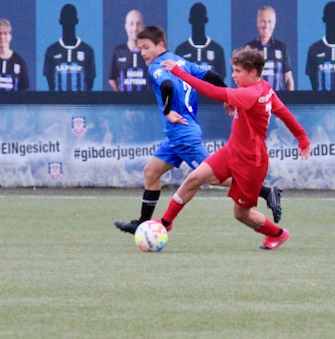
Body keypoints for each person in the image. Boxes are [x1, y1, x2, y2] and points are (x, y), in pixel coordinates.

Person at [113, 26, 283, 234]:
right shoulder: (179, 61)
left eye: (146, 47)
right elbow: (211, 75)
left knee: (211, 177)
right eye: (140, 48)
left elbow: (166, 85)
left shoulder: (157, 66)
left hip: (182, 133)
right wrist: (226, 98)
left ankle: (265, 192)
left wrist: (167, 111)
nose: (143, 53)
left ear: (160, 46)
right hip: (177, 135)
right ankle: (142, 223)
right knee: (151, 171)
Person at [157, 47, 311, 250]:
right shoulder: (264, 88)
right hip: (231, 152)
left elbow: (212, 91)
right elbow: (284, 113)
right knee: (194, 178)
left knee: (241, 214)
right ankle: (165, 223)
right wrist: (302, 139)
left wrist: (178, 72)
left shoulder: (250, 94)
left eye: (238, 71)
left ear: (253, 73)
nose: (233, 75)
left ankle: (278, 234)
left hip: (251, 163)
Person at [43, 3, 95, 91]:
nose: (68, 22)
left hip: (81, 103)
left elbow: (90, 83)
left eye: (71, 19)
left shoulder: (87, 50)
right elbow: (50, 84)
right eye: (66, 19)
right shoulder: (51, 50)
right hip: (58, 103)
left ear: (76, 21)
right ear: (60, 21)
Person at [244, 5, 293, 91]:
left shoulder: (281, 47)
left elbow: (288, 79)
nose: (266, 25)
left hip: (276, 100)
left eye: (270, 21)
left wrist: (291, 100)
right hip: (255, 101)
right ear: (257, 22)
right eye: (263, 21)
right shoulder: (249, 48)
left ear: (274, 24)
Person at [174, 2, 226, 79]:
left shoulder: (217, 50)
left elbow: (221, 79)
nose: (198, 22)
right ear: (190, 20)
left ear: (206, 20)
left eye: (200, 19)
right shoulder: (181, 50)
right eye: (195, 19)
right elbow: (177, 78)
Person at [107, 9, 149, 92]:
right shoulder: (118, 51)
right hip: (125, 103)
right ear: (126, 27)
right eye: (131, 24)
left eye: (138, 24)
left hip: (146, 103)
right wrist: (120, 95)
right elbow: (112, 78)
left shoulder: (150, 52)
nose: (135, 28)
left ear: (143, 27)